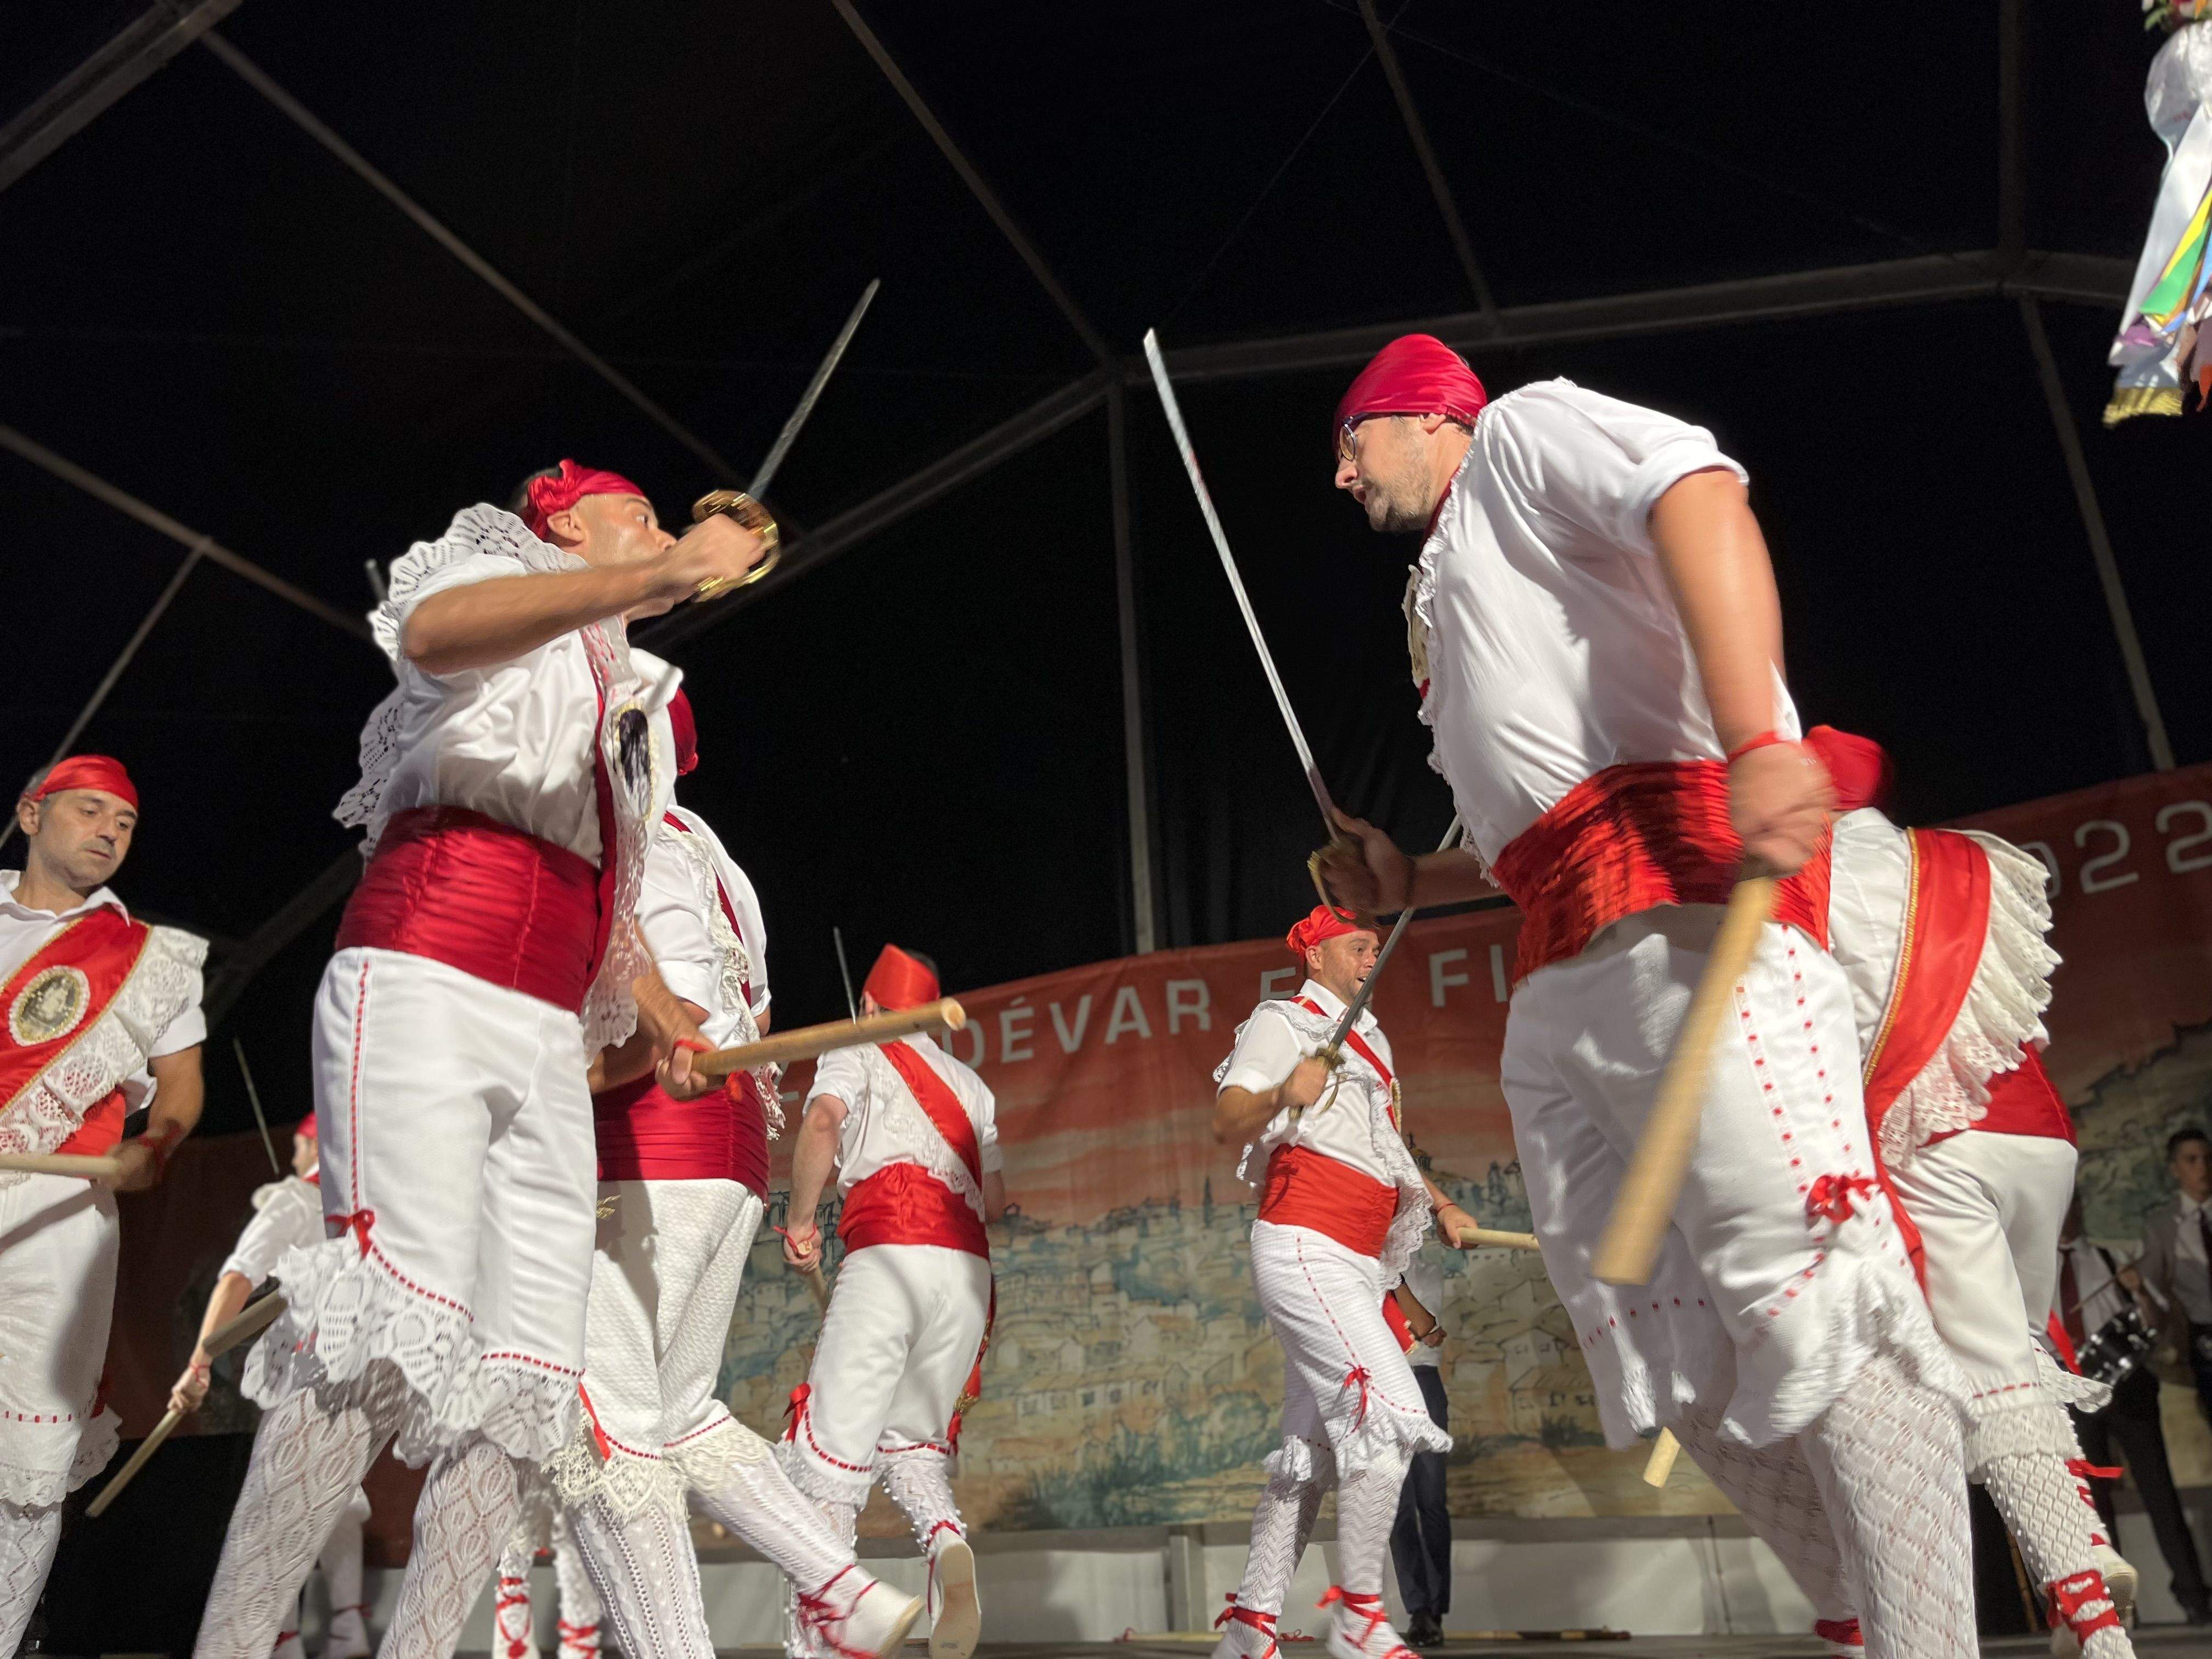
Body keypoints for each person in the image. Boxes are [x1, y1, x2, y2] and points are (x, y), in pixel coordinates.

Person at [1315, 335, 1976, 1659]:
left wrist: (1756, 740)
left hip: (1681, 905)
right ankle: (1857, 1616)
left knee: (1813, 1280)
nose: (1340, 474)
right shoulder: (1446, 590)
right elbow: (1536, 807)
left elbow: (1697, 490)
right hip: (1559, 958)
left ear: (1430, 416)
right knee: (1667, 1340)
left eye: (1354, 439)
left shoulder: (1522, 435)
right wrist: (1407, 881)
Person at [195, 461, 767, 1659]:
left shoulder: (624, 700)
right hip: (425, 974)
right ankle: (235, 1647)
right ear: (569, 522)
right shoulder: (496, 568)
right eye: (645, 516)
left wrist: (671, 1024)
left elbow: (607, 918)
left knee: (528, 1379)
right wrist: (661, 569)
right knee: (378, 1323)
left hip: (547, 1027)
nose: (666, 536)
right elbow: (435, 631)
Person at [551, 690, 922, 1659]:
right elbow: (745, 1013)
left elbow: (633, 1008)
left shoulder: (612, 838)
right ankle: (840, 1583)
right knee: (678, 1412)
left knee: (603, 1431)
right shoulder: (709, 850)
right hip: (729, 1146)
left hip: (651, 1137)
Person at [1827, 804, 2131, 1655]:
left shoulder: (1803, 883)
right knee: (2020, 1351)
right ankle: (2086, 1558)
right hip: (2040, 1138)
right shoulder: (1956, 862)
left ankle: (2091, 1612)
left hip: (1939, 1141)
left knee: (1990, 1376)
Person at [1207, 908, 1470, 1659]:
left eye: (1377, 948)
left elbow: (1383, 1142)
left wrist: (1441, 1203)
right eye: (1358, 947)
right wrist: (1286, 1092)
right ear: (1316, 955)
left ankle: (1249, 1631)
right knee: (1388, 1414)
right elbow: (1228, 1117)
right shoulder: (1282, 1020)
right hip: (1306, 1242)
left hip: (1357, 1258)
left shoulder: (1374, 1040)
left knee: (1311, 1459)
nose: (1371, 958)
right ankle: (1359, 1616)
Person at [0, 755, 206, 1657]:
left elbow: (180, 1089)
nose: (111, 831)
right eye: (91, 811)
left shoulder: (155, 963)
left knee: (32, 1458)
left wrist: (153, 1146)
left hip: (64, 1216)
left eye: (125, 822)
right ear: (30, 812)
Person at [781, 944, 1002, 1659]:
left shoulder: (855, 1045)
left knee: (827, 1466)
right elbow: (994, 1199)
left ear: (869, 1007)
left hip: (888, 1256)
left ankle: (824, 1645)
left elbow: (821, 1124)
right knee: (910, 1443)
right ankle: (944, 1544)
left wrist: (801, 1220)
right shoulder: (970, 1084)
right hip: (966, 1277)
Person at [171, 1115, 375, 1659]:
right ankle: (344, 1624)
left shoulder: (293, 1201)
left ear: (315, 1145)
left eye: (299, 1145)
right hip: (367, 1375)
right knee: (337, 1498)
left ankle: (280, 1640)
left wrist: (199, 1361)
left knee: (272, 1510)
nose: (292, 1155)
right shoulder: (381, 1208)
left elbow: (238, 1276)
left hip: (311, 1375)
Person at [2059, 1197, 2212, 1623]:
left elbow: (2157, 1321)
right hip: (2073, 1392)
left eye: (2071, 1206)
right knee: (2096, 1510)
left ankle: (2195, 1600)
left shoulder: (2113, 1257)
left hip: (2129, 1390)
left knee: (2160, 1495)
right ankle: (2118, 1609)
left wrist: (2139, 1290)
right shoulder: (2034, 1271)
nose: (2065, 1215)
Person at [1387, 1242, 1451, 1649]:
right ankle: (1418, 1610)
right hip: (1381, 1382)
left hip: (1421, 1379)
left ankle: (1436, 1607)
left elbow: (1427, 1335)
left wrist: (1390, 1280)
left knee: (1430, 1499)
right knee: (1395, 1503)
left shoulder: (1426, 1266)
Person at [2136, 1127, 2212, 1424]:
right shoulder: (2161, 1224)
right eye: (2191, 1160)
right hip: (2203, 1336)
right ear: (2175, 1169)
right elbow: (2154, 1284)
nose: (2202, 1168)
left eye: (2207, 1158)